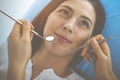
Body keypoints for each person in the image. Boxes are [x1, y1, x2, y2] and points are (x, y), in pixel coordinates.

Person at [7, 0, 117, 80]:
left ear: (90, 40)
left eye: (84, 23)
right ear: (48, 15)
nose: (69, 26)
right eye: (64, 12)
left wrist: (16, 67)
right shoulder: (3, 51)